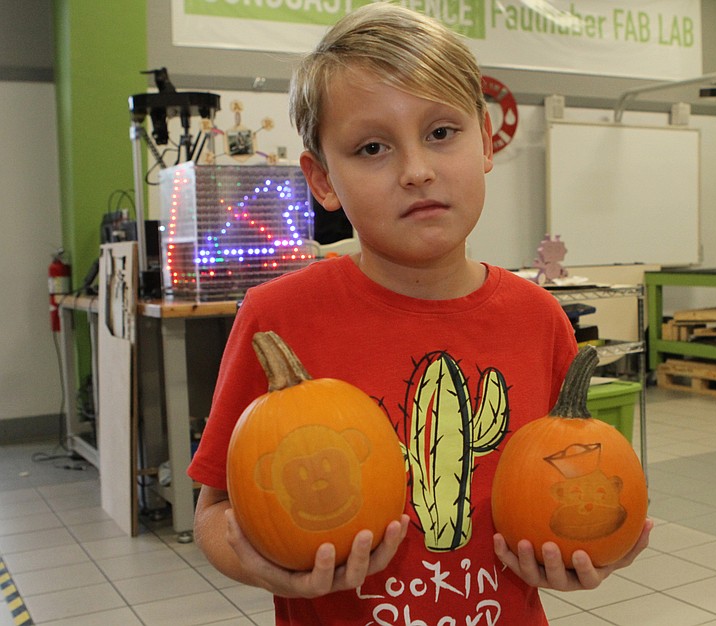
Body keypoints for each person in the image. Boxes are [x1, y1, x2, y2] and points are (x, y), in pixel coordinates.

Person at [187, 3, 652, 624]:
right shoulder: (279, 318)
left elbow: (561, 481)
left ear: (486, 141)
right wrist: (261, 563)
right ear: (323, 181)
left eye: (441, 132)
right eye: (372, 147)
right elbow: (213, 511)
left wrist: (587, 548)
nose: (417, 171)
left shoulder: (539, 318)